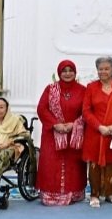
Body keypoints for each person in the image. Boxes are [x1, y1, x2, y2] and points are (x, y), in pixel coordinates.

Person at [36, 60, 87, 206]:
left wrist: (74, 124)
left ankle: (74, 194)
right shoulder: (50, 89)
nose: (67, 73)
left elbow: (87, 111)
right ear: (59, 73)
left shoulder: (83, 90)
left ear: (75, 72)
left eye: (71, 70)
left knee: (74, 166)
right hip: (52, 134)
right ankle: (50, 195)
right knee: (51, 164)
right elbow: (42, 109)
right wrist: (55, 124)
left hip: (74, 135)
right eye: (64, 71)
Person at [82, 56, 112, 208]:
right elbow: (86, 111)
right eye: (100, 69)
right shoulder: (91, 87)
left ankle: (110, 194)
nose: (103, 71)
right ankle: (94, 195)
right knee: (94, 165)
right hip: (96, 133)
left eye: (106, 69)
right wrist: (99, 127)